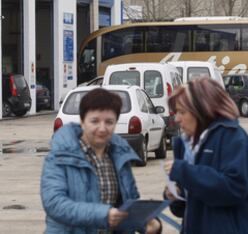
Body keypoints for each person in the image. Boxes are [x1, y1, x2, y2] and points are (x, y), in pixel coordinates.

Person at [41, 88, 161, 234]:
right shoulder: (60, 156)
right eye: (95, 121)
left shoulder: (120, 156)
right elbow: (55, 204)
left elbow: (130, 203)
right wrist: (103, 215)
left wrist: (148, 224)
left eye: (109, 122)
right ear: (82, 121)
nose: (102, 128)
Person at [164, 77, 248, 234]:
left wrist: (185, 172)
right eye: (176, 112)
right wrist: (176, 196)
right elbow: (188, 207)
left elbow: (233, 189)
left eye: (182, 112)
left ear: (202, 110)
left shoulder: (233, 138)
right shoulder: (184, 145)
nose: (177, 119)